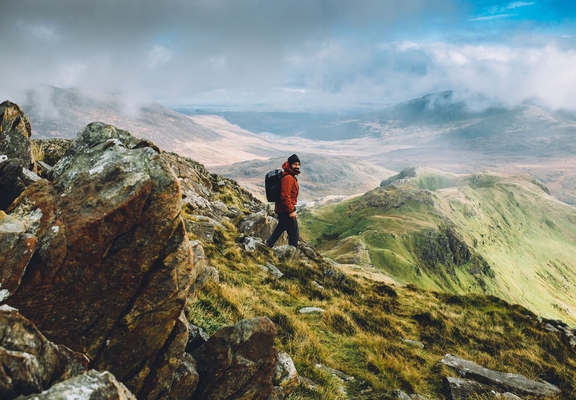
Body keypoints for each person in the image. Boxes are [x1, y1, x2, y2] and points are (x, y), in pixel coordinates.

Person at [266, 154, 301, 249]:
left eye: (298, 164)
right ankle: (292, 256)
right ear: (289, 165)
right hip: (286, 210)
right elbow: (285, 196)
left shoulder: (290, 176)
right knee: (294, 234)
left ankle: (268, 244)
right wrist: (291, 211)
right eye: (294, 164)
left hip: (282, 209)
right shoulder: (288, 178)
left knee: (281, 227)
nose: (297, 166)